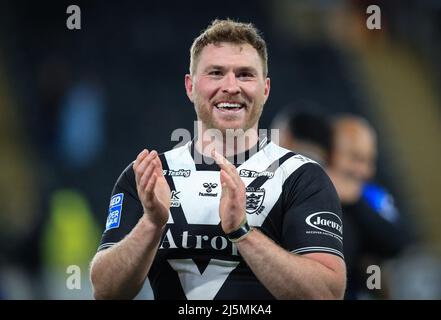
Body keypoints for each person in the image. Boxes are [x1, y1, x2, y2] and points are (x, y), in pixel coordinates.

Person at [89, 19, 346, 300]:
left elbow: (327, 295)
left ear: (265, 89)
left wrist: (242, 233)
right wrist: (151, 223)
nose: (231, 86)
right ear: (190, 86)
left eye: (245, 74)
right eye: (216, 73)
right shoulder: (150, 176)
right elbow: (105, 291)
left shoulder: (300, 176)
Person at [274, 108, 413, 299]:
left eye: (369, 160)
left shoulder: (371, 195)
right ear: (330, 154)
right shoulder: (294, 186)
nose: (364, 171)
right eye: (355, 158)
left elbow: (398, 244)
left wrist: (355, 199)